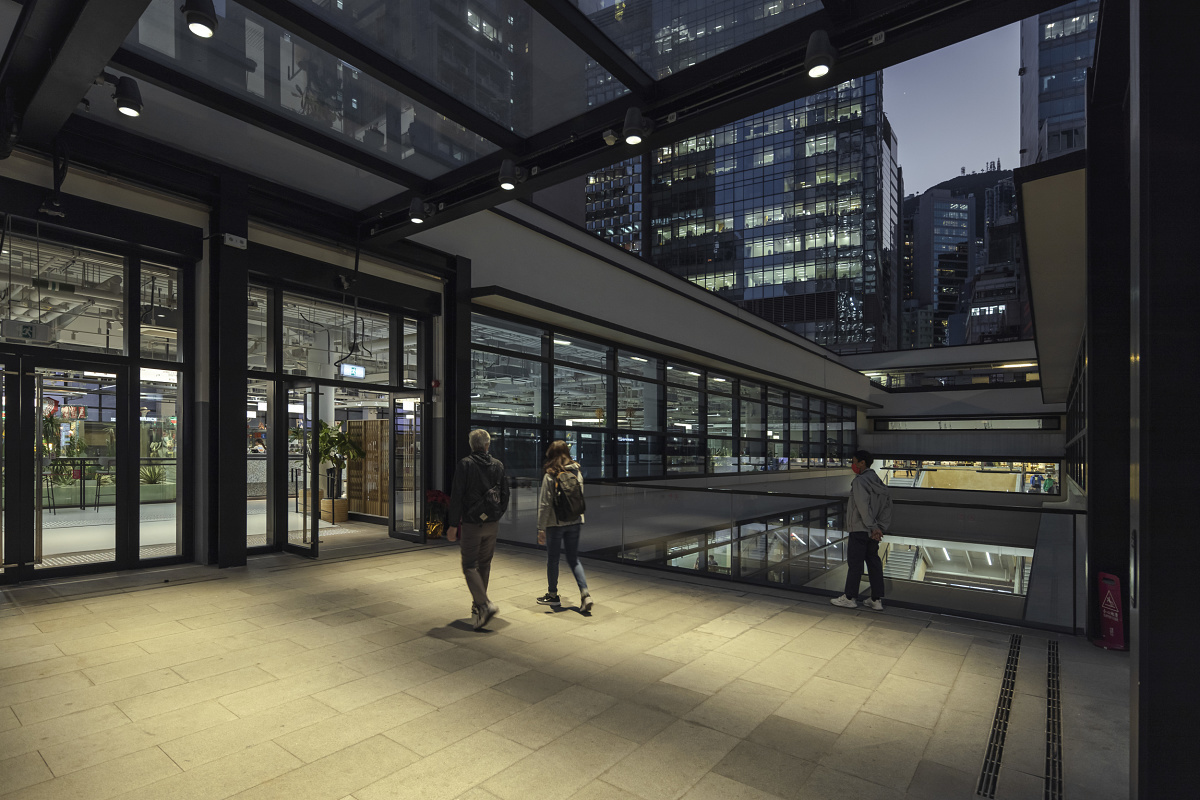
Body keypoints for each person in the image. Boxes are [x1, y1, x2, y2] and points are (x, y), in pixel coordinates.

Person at [447, 429, 509, 630]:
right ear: (487, 446)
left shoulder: (465, 464)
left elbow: (457, 495)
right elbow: (505, 494)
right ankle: (478, 606)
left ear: (472, 445)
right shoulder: (498, 465)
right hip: (492, 523)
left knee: (469, 565)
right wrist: (497, 515)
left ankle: (484, 604)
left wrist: (453, 524)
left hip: (473, 524)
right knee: (484, 564)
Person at [831, 449, 893, 612]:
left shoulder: (860, 481)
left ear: (862, 463)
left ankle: (850, 598)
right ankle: (876, 599)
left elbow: (862, 507)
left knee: (855, 564)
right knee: (873, 563)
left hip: (859, 529)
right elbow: (887, 508)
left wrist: (872, 526)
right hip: (873, 532)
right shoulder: (880, 482)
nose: (852, 465)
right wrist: (879, 528)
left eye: (854, 461)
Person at [535, 440, 592, 612]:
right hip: (575, 521)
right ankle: (585, 594)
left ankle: (553, 595)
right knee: (574, 559)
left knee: (553, 560)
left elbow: (545, 504)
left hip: (555, 523)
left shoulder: (550, 475)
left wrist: (541, 528)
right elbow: (579, 497)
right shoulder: (577, 472)